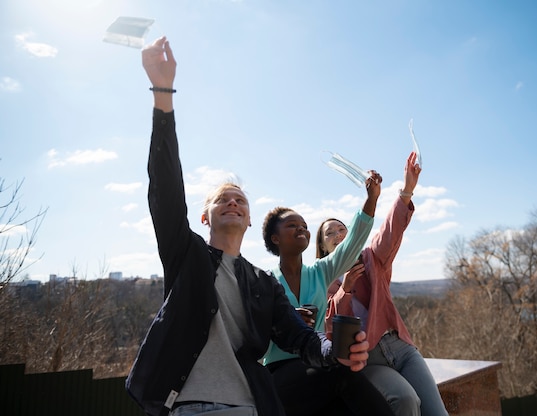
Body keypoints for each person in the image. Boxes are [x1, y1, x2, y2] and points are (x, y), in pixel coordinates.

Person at [125, 36, 371, 416]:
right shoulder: (185, 257)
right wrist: (163, 94)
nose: (233, 201)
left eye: (240, 198)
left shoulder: (261, 284)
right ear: (205, 216)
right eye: (223, 198)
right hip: (187, 407)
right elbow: (165, 188)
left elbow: (299, 336)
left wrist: (335, 350)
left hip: (249, 407)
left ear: (250, 218)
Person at [318, 151, 449, 416]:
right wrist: (345, 289)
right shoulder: (320, 280)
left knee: (437, 412)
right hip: (368, 357)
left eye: (342, 229)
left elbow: (389, 233)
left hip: (400, 346)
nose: (337, 234)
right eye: (329, 233)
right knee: (405, 400)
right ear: (321, 247)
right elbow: (330, 330)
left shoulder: (370, 259)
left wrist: (407, 191)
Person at [261, 172, 394, 416]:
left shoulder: (320, 272)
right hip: (281, 372)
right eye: (292, 225)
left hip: (319, 366)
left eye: (304, 226)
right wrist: (286, 324)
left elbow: (352, 242)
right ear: (275, 238)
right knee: (342, 375)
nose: (301, 228)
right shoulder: (264, 281)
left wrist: (371, 199)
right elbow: (254, 333)